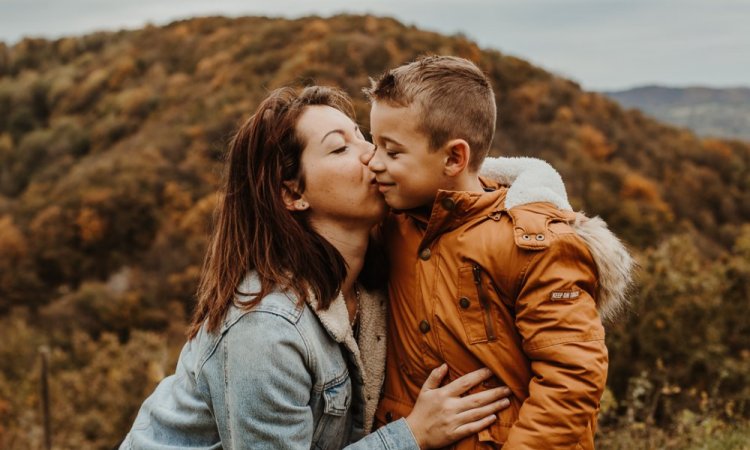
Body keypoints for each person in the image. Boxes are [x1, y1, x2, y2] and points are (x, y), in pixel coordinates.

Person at [119, 86, 518, 450]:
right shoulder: (267, 329)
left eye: (364, 137)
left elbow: (464, 176)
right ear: (293, 193)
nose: (372, 154)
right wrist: (411, 436)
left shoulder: (378, 272)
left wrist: (540, 197)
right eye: (340, 148)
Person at [364, 56, 633, 449]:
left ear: (454, 158)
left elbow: (571, 379)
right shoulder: (390, 222)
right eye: (373, 145)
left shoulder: (536, 245)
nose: (374, 163)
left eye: (392, 152)